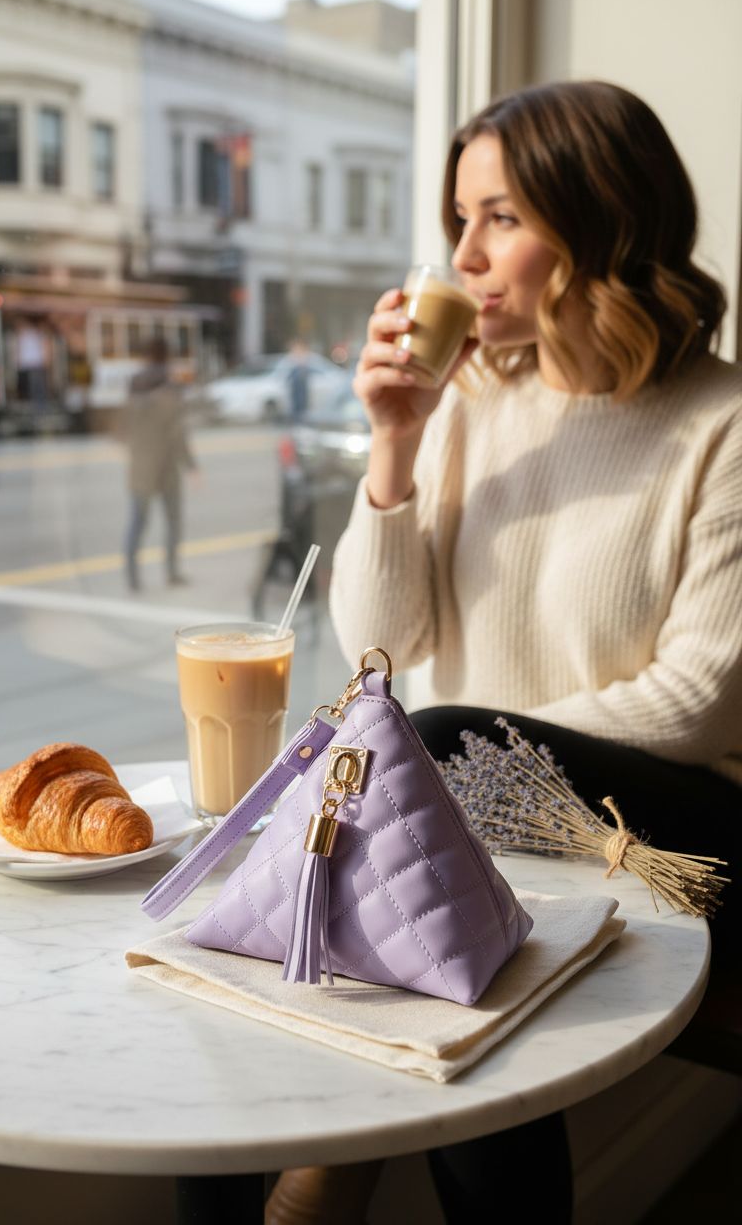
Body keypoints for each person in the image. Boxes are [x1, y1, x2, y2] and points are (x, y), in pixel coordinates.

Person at [270, 81, 742, 1225]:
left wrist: (452, 768)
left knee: (417, 767)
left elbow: (695, 704)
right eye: (459, 221)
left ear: (599, 227)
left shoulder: (721, 423)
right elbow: (386, 650)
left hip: (670, 823)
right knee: (429, 907)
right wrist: (395, 442)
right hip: (469, 811)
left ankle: (312, 1182)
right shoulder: (470, 399)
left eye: (501, 218)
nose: (463, 257)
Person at [124, 336, 198, 591]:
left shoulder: (134, 383)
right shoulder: (171, 387)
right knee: (173, 521)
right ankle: (172, 572)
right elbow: (178, 434)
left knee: (137, 522)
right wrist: (192, 466)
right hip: (166, 465)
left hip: (141, 464)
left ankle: (132, 577)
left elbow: (126, 426)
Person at [286, 338, 312, 421]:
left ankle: (300, 420)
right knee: (296, 404)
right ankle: (297, 420)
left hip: (301, 382)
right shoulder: (294, 358)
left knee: (301, 403)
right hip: (296, 383)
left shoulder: (302, 358)